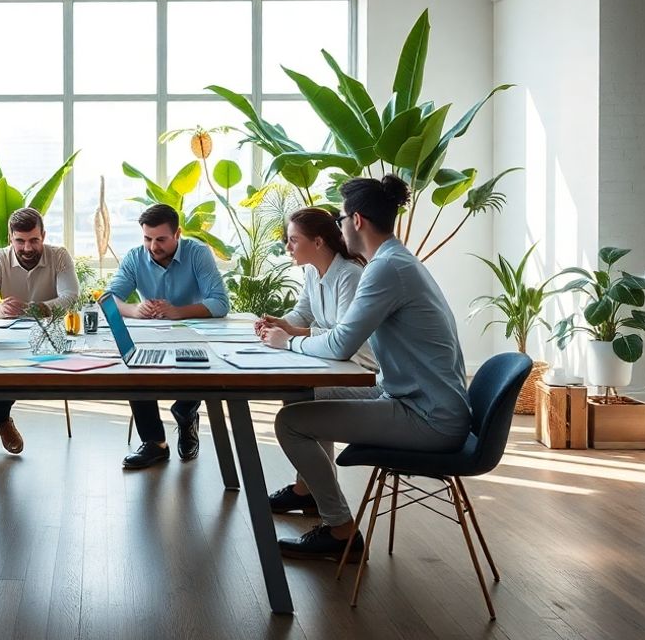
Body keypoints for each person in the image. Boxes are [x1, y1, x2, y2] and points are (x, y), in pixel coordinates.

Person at [262, 176, 472, 563]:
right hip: (413, 398)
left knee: (289, 423)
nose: (339, 226)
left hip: (427, 415)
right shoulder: (395, 261)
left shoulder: (385, 269)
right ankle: (312, 499)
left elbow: (341, 342)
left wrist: (287, 341)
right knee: (302, 398)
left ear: (356, 220)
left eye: (341, 219)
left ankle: (341, 531)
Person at [253, 207, 378, 515]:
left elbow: (343, 337)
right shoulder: (312, 271)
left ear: (319, 242)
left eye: (294, 240)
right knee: (298, 399)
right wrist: (280, 322)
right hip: (332, 364)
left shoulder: (350, 275)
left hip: (361, 371)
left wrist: (291, 335)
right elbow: (303, 313)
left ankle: (314, 494)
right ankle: (307, 489)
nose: (288, 247)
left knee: (301, 402)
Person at [105, 203, 229, 470]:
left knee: (206, 367)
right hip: (149, 334)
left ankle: (185, 412)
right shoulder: (135, 257)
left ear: (178, 234)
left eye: (161, 239)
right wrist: (133, 309)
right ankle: (154, 444)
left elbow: (220, 303)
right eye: (147, 238)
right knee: (133, 370)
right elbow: (109, 299)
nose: (153, 246)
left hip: (194, 336)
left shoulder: (198, 254)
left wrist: (178, 312)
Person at [0, 207, 79, 458]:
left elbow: (71, 297)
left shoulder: (59, 256)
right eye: (20, 241)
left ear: (43, 236)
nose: (27, 248)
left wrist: (40, 308)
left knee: (17, 366)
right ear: (10, 239)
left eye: (34, 241)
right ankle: (2, 421)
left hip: (48, 336)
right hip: (8, 334)